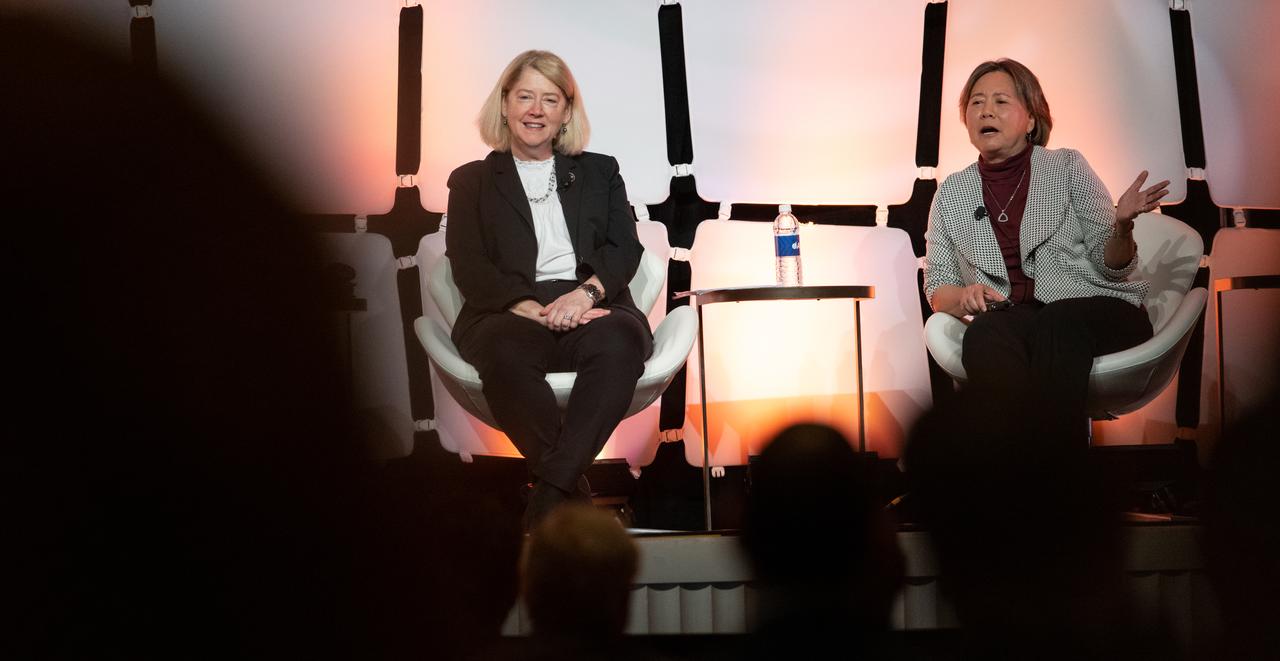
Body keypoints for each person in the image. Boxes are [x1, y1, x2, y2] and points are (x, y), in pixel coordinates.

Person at [445, 50, 653, 528]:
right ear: (504, 104)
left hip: (589, 302)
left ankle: (548, 496)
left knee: (620, 342)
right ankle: (568, 494)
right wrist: (528, 306)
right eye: (524, 97)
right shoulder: (472, 182)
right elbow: (470, 265)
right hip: (508, 310)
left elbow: (625, 248)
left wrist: (586, 295)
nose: (535, 110)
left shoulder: (601, 171)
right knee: (503, 352)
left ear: (566, 111)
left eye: (549, 99)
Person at [924, 58, 1170, 440]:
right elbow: (939, 290)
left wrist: (1121, 226)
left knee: (1057, 322)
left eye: (1001, 101)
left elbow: (1114, 267)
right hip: (1019, 317)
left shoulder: (1066, 167)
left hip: (1099, 309)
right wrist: (966, 296)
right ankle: (1008, 469)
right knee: (985, 333)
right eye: (976, 102)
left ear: (1032, 120)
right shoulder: (951, 194)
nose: (986, 110)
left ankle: (1056, 475)